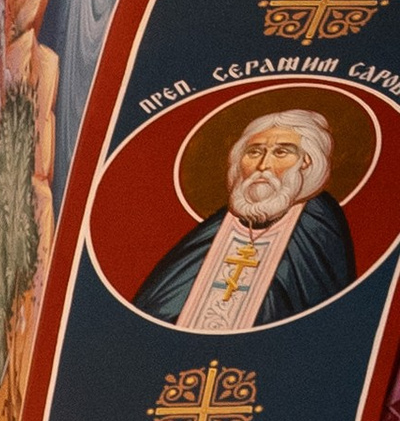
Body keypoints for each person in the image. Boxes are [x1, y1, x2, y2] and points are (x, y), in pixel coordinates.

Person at [132, 104, 356, 329]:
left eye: (281, 152)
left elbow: (316, 312)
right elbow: (156, 309)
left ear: (307, 161)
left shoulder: (317, 223)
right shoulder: (216, 226)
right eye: (254, 152)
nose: (262, 165)